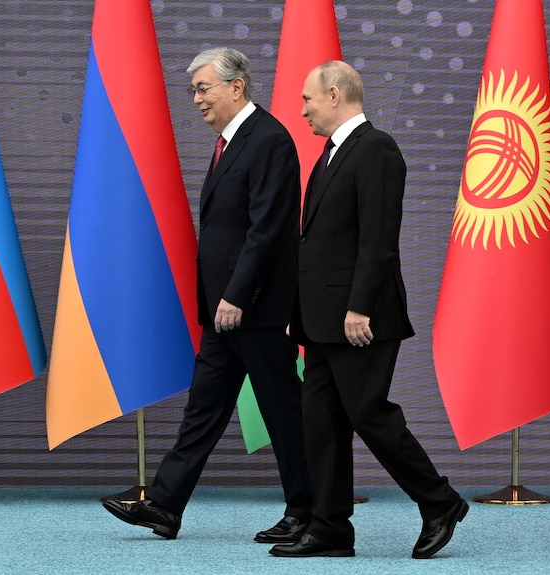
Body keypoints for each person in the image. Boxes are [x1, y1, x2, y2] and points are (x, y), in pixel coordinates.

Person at [102, 47, 312, 542]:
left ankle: (307, 511)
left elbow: (267, 230)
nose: (195, 99)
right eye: (192, 90)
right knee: (202, 411)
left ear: (236, 87)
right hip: (223, 310)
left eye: (203, 88)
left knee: (284, 414)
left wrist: (238, 295)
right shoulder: (228, 142)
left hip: (254, 308)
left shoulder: (269, 140)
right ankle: (165, 506)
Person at [271, 60, 468, 559]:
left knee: (369, 414)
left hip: (360, 318)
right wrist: (299, 310)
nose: (303, 110)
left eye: (308, 100)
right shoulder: (330, 154)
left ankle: (439, 502)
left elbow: (378, 241)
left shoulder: (376, 149)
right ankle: (331, 528)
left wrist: (359, 307)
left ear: (334, 95)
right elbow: (314, 243)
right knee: (321, 422)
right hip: (320, 321)